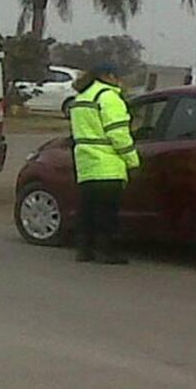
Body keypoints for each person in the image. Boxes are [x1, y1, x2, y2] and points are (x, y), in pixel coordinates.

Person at [69, 62, 140, 264]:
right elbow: (118, 134)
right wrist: (132, 161)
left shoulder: (81, 97)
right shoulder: (109, 98)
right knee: (107, 211)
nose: (122, 81)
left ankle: (84, 250)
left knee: (88, 209)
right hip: (108, 165)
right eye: (119, 76)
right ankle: (108, 252)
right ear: (109, 76)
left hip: (85, 162)